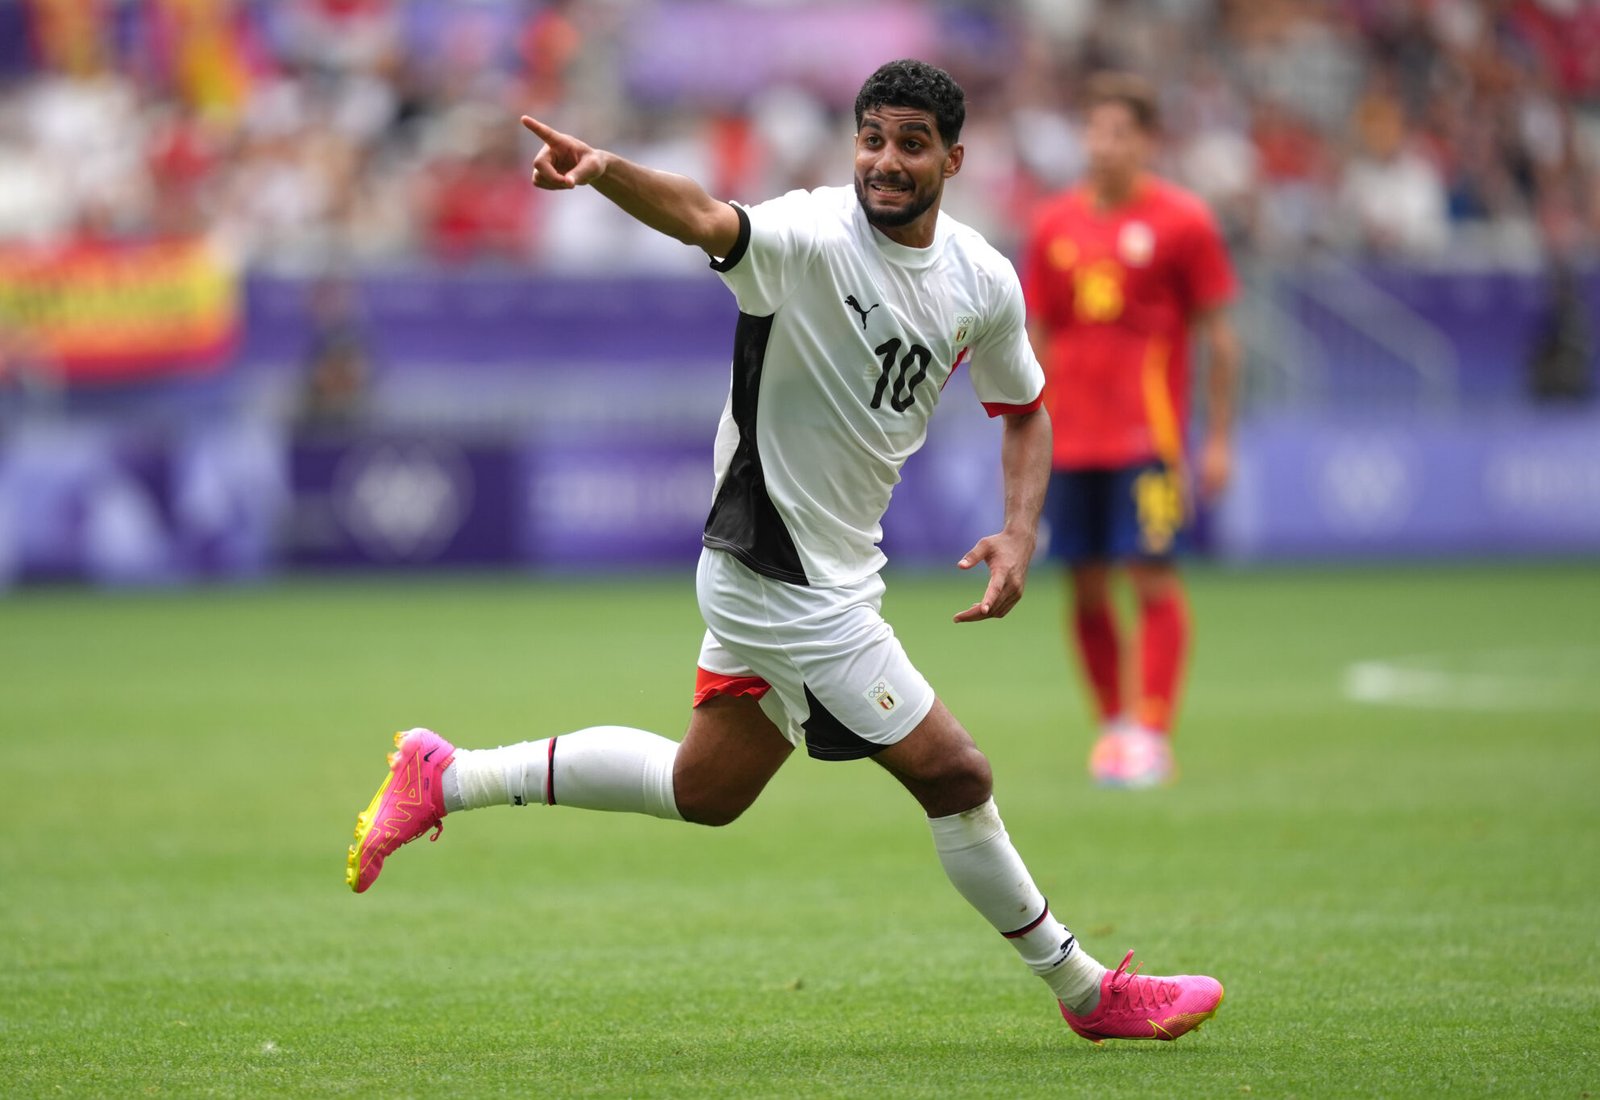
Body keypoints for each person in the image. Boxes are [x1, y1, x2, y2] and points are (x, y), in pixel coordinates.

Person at [346, 59, 1223, 1044]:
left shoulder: (981, 279)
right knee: (956, 774)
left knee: (704, 788)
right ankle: (1086, 989)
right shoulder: (808, 236)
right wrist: (605, 171)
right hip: (778, 573)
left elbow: (1024, 410)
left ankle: (444, 773)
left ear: (953, 157)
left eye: (909, 144)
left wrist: (1021, 528)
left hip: (833, 565)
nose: (884, 162)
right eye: (871, 139)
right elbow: (704, 217)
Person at [1021, 72, 1241, 789]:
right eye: (1094, 129)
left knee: (1150, 575)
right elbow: (1037, 335)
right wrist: (1027, 429)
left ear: (1147, 140)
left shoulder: (1184, 222)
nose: (1103, 144)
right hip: (1070, 440)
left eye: (1119, 131)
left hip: (1149, 439)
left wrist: (1217, 439)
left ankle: (1151, 730)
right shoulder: (1053, 225)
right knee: (1084, 586)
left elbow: (1220, 335)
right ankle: (1114, 726)